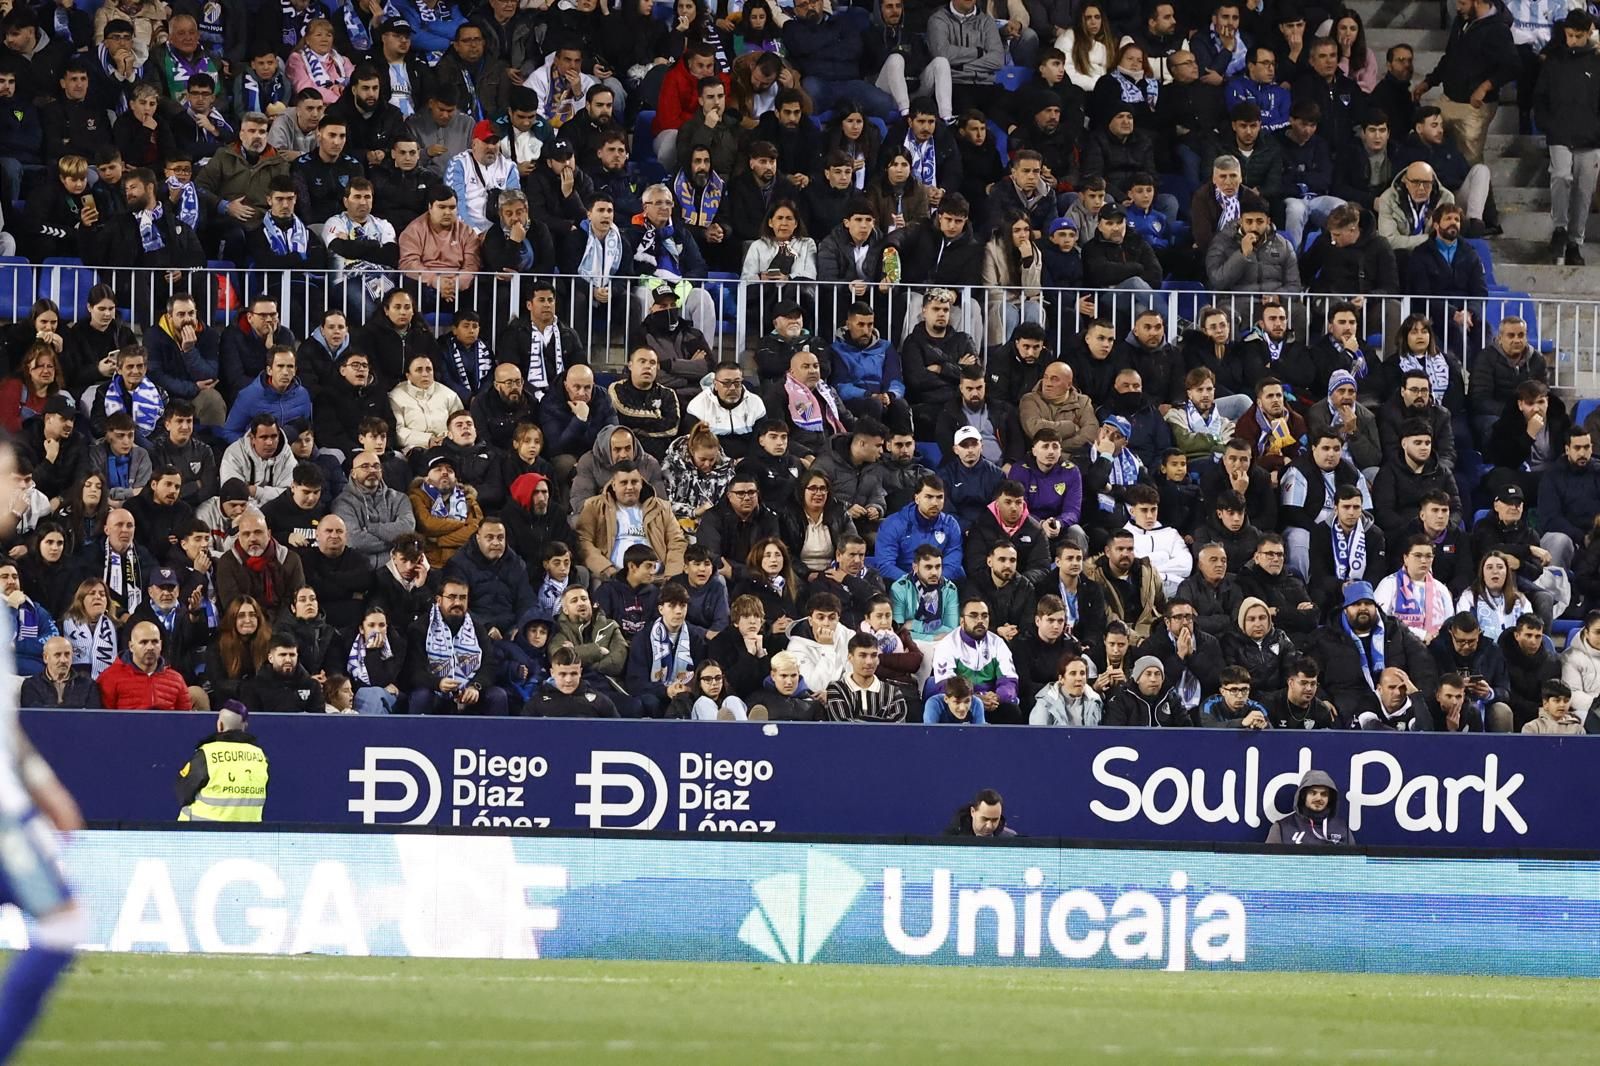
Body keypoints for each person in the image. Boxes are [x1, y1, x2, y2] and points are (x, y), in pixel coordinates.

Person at [1307, 580, 1437, 726]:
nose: (1363, 608)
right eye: (1356, 604)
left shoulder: (1395, 631)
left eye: (1368, 603)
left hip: (1395, 701)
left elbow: (1423, 664)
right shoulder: (1325, 638)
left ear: (1376, 606)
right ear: (1345, 609)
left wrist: (1420, 698)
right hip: (1346, 706)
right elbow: (1308, 673)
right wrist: (1322, 699)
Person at [1536, 11, 1600, 266]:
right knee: (1561, 176)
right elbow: (1540, 96)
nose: (1572, 40)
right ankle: (1560, 229)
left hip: (1591, 138)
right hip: (1560, 133)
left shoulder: (1597, 62)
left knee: (1584, 192)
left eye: (1577, 36)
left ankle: (1575, 242)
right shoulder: (1555, 60)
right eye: (1569, 35)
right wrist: (1548, 125)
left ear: (1588, 33)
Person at [402, 578, 509, 716]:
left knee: (498, 695)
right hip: (434, 690)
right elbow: (413, 670)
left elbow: (489, 665)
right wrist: (438, 683)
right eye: (452, 597)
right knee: (421, 696)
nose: (457, 603)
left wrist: (475, 686)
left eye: (463, 598)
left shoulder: (477, 629)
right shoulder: (420, 628)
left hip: (469, 693)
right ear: (439, 600)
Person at [872, 475, 964, 582]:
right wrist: (914, 583)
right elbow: (885, 564)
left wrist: (936, 580)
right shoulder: (893, 524)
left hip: (939, 580)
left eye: (939, 497)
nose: (935, 503)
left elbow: (953, 561)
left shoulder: (950, 524)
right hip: (902, 582)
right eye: (929, 497)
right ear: (917, 498)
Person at [96, 619, 194, 710]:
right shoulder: (110, 678)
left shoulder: (176, 680)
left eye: (155, 642)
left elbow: (186, 719)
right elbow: (102, 718)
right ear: (131, 646)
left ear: (161, 645)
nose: (150, 647)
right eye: (143, 642)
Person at [824, 633, 911, 723]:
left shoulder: (893, 692)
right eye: (862, 655)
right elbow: (843, 725)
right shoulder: (836, 689)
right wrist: (884, 721)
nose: (869, 662)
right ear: (850, 658)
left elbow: (897, 726)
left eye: (873, 655)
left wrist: (856, 719)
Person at [1265, 770, 1356, 845]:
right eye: (1313, 793)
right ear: (1303, 796)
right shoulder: (1281, 828)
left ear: (1330, 798)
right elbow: (1269, 861)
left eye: (1324, 794)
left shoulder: (1343, 829)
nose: (1318, 798)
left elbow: (1353, 861)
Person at [21, 636, 101, 709]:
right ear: (45, 658)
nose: (63, 660)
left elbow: (93, 717)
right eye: (57, 655)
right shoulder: (31, 685)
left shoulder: (88, 684)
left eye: (67, 654)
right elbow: (35, 715)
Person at [1523, 679, 1589, 735]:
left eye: (1566, 701)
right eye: (1557, 701)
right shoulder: (1532, 728)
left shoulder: (1578, 729)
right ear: (1545, 703)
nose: (1562, 705)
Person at [943, 788, 1015, 837]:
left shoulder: (1011, 840)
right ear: (972, 812)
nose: (989, 826)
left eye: (995, 820)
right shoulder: (949, 840)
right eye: (984, 819)